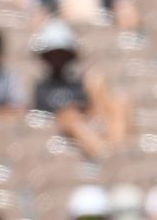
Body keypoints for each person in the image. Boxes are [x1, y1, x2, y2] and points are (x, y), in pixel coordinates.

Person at [32, 18, 130, 159]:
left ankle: (118, 149)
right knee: (69, 116)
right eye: (54, 55)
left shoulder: (78, 83)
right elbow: (42, 115)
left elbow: (91, 107)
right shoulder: (42, 87)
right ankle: (105, 154)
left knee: (118, 100)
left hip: (88, 122)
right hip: (64, 128)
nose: (58, 59)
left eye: (62, 54)